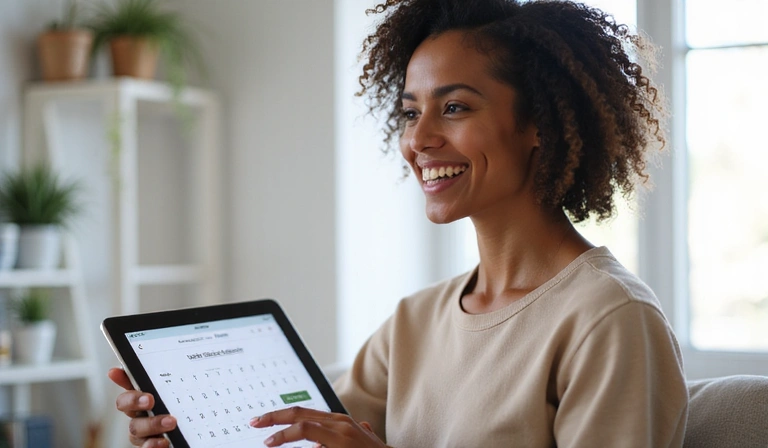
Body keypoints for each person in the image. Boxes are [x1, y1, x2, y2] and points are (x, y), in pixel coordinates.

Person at [109, 0, 689, 446]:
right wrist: (182, 431)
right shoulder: (415, 322)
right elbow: (309, 433)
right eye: (411, 112)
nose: (418, 139)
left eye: (455, 107)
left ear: (539, 123)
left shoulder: (610, 320)